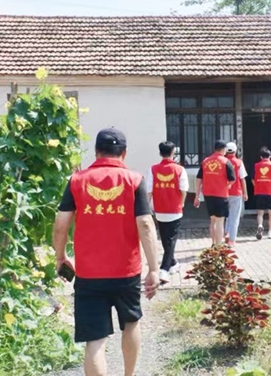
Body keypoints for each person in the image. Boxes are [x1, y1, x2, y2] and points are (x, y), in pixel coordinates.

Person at [52, 127, 160, 376]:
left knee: (95, 339)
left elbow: (60, 225)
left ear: (96, 152)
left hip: (89, 273)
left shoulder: (76, 180)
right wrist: (154, 268)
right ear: (123, 153)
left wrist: (61, 256)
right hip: (126, 271)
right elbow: (145, 224)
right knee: (131, 322)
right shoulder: (134, 181)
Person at [146, 141, 188, 284]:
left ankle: (173, 263)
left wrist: (147, 208)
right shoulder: (179, 169)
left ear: (160, 153)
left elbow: (149, 191)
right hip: (175, 209)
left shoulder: (153, 169)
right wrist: (181, 202)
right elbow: (184, 189)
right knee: (171, 240)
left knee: (165, 239)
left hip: (159, 209)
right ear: (173, 153)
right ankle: (163, 270)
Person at [194, 140, 236, 245]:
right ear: (223, 149)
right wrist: (227, 185)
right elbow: (232, 178)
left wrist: (197, 195)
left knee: (212, 220)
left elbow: (198, 179)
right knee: (220, 221)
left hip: (208, 194)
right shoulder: (225, 161)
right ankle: (218, 246)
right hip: (221, 194)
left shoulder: (205, 161)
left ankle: (213, 243)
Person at [224, 142, 249, 247]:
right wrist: (245, 193)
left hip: (224, 192)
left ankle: (227, 232)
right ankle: (232, 240)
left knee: (227, 215)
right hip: (236, 192)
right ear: (235, 151)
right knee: (235, 217)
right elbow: (242, 179)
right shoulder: (239, 162)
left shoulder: (223, 161)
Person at [253, 147, 271, 240]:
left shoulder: (256, 166)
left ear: (261, 157)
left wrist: (258, 185)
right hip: (270, 192)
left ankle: (260, 225)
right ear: (270, 156)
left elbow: (253, 179)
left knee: (260, 213)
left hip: (259, 192)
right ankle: (270, 232)